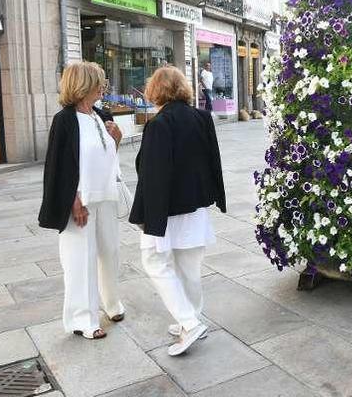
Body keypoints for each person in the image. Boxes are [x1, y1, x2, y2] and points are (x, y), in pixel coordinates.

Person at [130, 66, 226, 356]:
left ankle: (189, 322)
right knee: (189, 267)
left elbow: (153, 175)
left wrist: (148, 218)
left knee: (154, 260)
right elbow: (214, 161)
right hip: (196, 205)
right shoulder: (201, 117)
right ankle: (191, 319)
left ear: (155, 90)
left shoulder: (159, 124)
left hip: (167, 209)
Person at [38, 61, 125, 340]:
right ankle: (83, 319)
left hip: (106, 196)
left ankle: (112, 304)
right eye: (99, 81)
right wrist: (72, 200)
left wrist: (117, 138)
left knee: (110, 251)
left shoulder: (101, 114)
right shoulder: (65, 120)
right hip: (81, 200)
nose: (104, 86)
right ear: (84, 85)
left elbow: (107, 156)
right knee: (80, 259)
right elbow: (57, 166)